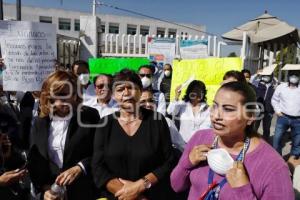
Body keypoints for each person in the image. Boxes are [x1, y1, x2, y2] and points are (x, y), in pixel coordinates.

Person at [171, 81, 294, 200]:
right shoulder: (200, 138)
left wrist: (243, 191)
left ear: (250, 117)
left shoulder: (273, 167)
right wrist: (187, 163)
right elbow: (176, 186)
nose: (216, 116)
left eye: (228, 109)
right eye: (215, 106)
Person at [92, 69, 176, 199]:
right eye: (120, 89)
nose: (126, 93)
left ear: (140, 91)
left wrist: (140, 186)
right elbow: (97, 167)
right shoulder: (105, 124)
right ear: (114, 95)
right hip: (115, 196)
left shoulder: (157, 121)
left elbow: (169, 162)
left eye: (132, 88)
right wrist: (129, 194)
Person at [28, 70, 100, 200]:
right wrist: (45, 189)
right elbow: (34, 160)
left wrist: (80, 168)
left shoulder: (89, 116)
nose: (64, 99)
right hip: (52, 192)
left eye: (68, 94)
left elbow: (100, 151)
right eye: (58, 95)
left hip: (83, 190)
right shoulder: (40, 122)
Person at [271, 72, 300, 163]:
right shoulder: (281, 87)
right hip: (283, 117)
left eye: (296, 76)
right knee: (277, 139)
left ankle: (292, 160)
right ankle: (278, 159)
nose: (294, 78)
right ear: (288, 77)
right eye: (292, 75)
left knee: (297, 142)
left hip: (298, 119)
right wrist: (278, 111)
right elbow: (274, 100)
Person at [254, 74, 276, 142]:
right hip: (258, 109)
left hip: (268, 110)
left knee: (266, 129)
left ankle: (265, 142)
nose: (266, 77)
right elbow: (251, 80)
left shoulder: (274, 86)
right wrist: (257, 74)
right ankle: (252, 140)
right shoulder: (257, 83)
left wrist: (273, 110)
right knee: (254, 127)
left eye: (268, 75)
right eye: (265, 75)